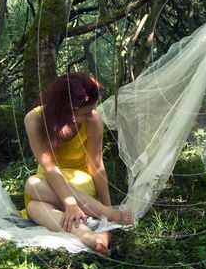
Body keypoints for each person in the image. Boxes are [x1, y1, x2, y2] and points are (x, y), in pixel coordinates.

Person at [22, 72, 133, 254]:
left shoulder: (92, 120)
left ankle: (106, 215)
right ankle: (89, 237)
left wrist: (107, 208)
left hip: (80, 184)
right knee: (34, 203)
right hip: (48, 182)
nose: (89, 114)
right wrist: (69, 204)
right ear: (66, 108)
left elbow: (96, 165)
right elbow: (49, 167)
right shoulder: (34, 119)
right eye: (84, 112)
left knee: (33, 186)